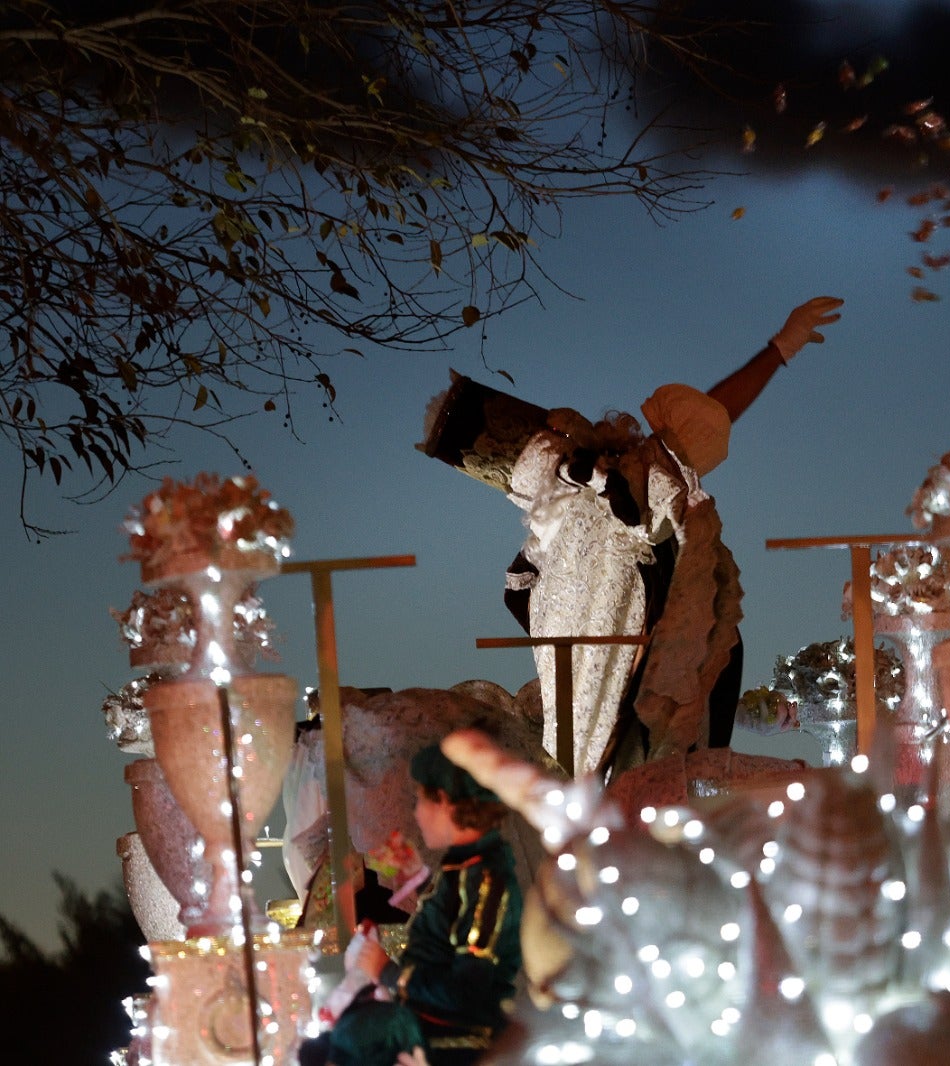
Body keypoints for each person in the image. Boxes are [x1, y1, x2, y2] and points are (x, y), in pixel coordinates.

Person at [502, 296, 844, 778]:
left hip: (662, 674)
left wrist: (778, 351)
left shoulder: (629, 489)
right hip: (628, 686)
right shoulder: (586, 509)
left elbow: (703, 423)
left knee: (658, 784)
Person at [315, 741, 524, 1066]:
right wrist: (416, 878)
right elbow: (449, 929)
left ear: (444, 803)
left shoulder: (485, 881)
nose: (416, 814)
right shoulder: (468, 867)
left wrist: (387, 973)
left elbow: (466, 993)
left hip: (457, 1038)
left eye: (421, 802)